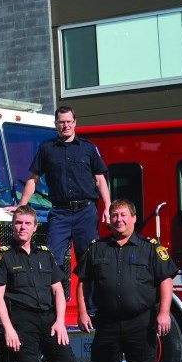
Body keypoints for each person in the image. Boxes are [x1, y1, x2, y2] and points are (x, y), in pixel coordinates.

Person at [76, 199, 177, 362]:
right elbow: (83, 282)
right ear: (109, 219)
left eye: (123, 215)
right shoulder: (96, 248)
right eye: (114, 215)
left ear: (134, 218)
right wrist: (82, 312)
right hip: (107, 323)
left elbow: (166, 279)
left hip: (140, 324)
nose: (119, 219)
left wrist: (164, 312)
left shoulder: (151, 248)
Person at [11, 106, 111, 264]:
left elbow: (100, 179)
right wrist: (21, 206)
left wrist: (107, 206)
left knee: (89, 261)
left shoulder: (88, 148)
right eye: (62, 122)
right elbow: (33, 179)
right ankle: (55, 290)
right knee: (51, 260)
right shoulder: (46, 148)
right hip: (59, 213)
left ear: (75, 122)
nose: (66, 125)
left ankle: (88, 290)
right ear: (56, 123)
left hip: (86, 212)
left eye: (69, 121)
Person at [0, 206, 75, 362]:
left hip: (50, 321)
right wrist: (9, 329)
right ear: (12, 226)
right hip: (22, 322)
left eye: (28, 223)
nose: (23, 227)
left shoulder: (45, 254)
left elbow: (58, 290)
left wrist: (60, 321)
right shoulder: (3, 256)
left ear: (35, 227)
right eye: (19, 223)